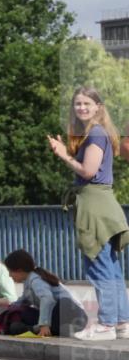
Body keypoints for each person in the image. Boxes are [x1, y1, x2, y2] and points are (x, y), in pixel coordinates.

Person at [48, 86, 129, 341]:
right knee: (111, 268)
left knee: (99, 267)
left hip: (94, 207)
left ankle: (106, 324)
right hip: (103, 205)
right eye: (77, 104)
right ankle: (122, 322)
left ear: (98, 107)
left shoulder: (95, 134)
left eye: (86, 104)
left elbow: (88, 171)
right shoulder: (98, 133)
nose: (81, 108)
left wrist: (63, 155)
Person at [3, 249, 88, 337]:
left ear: (19, 270)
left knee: (63, 303)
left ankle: (40, 328)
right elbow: (24, 300)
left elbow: (47, 300)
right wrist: (9, 308)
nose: (9, 275)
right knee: (25, 312)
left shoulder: (36, 280)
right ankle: (57, 329)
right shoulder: (28, 281)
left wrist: (44, 324)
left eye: (10, 271)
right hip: (56, 317)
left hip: (73, 314)